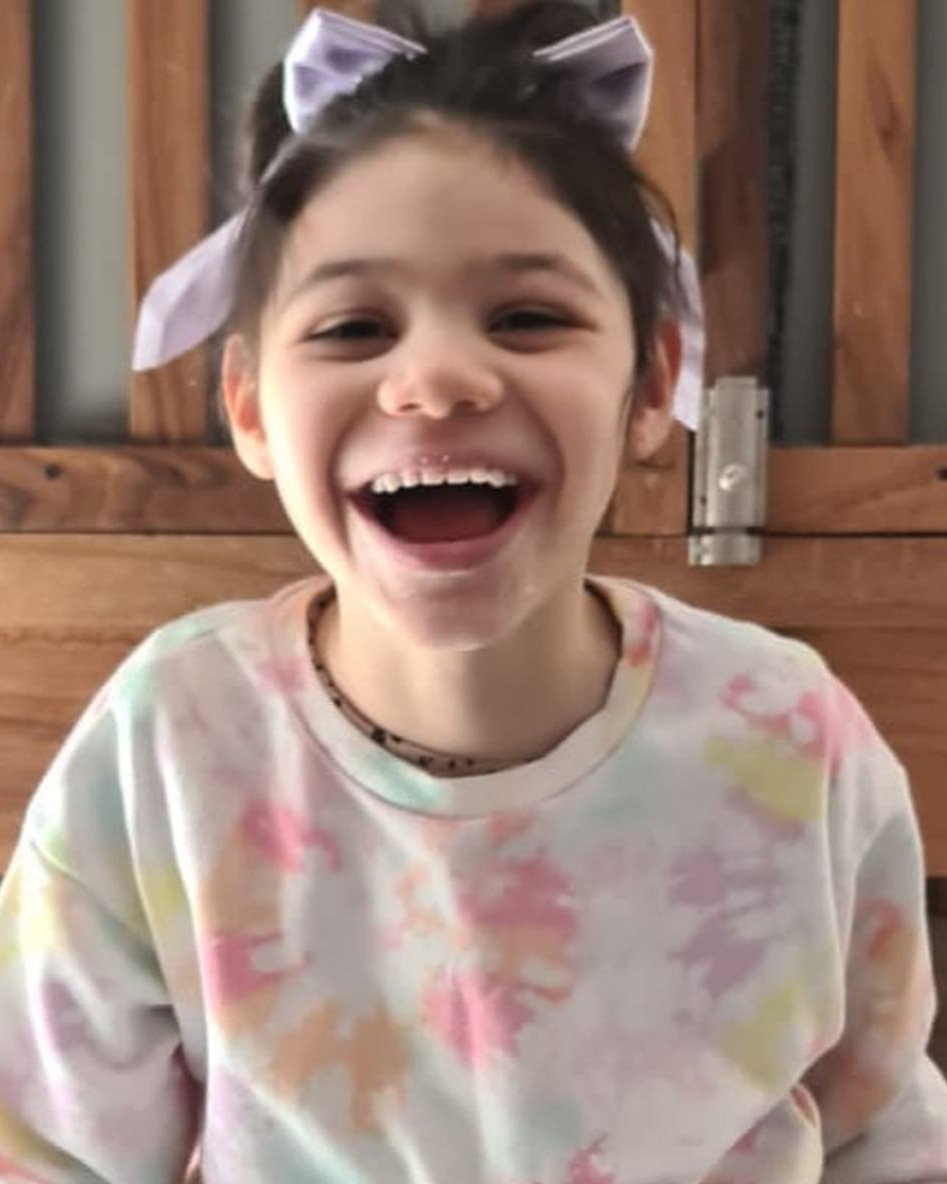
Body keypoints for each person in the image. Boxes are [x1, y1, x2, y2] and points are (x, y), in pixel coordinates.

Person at [1, 4, 945, 1181]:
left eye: (526, 317)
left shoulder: (790, 733)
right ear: (248, 406)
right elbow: (46, 1150)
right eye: (353, 326)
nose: (438, 377)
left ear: (652, 376)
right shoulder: (166, 741)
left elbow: (883, 1132)